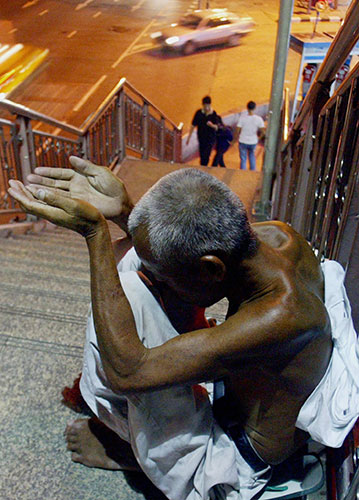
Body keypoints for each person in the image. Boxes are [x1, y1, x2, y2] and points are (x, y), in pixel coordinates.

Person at [7, 157, 358, 500]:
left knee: (125, 289)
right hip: (232, 389)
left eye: (164, 278)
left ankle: (142, 456)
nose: (158, 282)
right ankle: (145, 443)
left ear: (211, 270)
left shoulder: (280, 316)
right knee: (132, 261)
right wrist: (126, 209)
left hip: (231, 456)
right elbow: (178, 253)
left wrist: (96, 234)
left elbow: (127, 374)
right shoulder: (276, 237)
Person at [186, 96, 220, 166]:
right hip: (201, 138)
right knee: (202, 154)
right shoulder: (198, 113)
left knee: (206, 154)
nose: (207, 107)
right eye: (205, 105)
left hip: (210, 138)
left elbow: (216, 127)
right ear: (203, 105)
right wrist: (189, 138)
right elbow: (193, 125)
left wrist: (212, 125)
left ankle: (204, 166)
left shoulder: (213, 114)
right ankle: (203, 165)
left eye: (208, 105)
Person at [233, 101, 265, 171]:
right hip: (253, 141)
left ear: (247, 108)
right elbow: (263, 132)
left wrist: (234, 140)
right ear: (255, 108)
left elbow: (237, 130)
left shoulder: (242, 118)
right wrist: (259, 138)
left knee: (243, 158)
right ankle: (252, 171)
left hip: (243, 140)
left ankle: (243, 172)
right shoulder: (258, 119)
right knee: (252, 156)